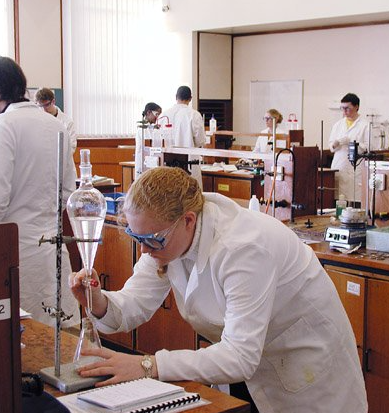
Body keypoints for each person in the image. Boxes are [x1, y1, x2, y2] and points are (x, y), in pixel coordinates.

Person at [69, 166, 367, 413]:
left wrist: (150, 365)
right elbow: (133, 305)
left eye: (153, 240)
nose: (145, 250)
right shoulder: (165, 238)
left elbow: (239, 356)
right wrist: (97, 301)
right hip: (247, 369)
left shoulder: (242, 248)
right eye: (137, 237)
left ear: (187, 220)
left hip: (305, 374)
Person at [0, 57, 79, 327]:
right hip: (51, 244)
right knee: (56, 335)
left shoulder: (4, 127)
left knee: (20, 340)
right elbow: (70, 191)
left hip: (14, 248)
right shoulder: (55, 125)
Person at [161, 86, 206, 187]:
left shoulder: (164, 115)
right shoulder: (194, 115)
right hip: (190, 162)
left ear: (176, 97)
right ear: (190, 98)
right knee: (191, 195)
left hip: (168, 163)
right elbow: (201, 140)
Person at [329, 93, 368, 206]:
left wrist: (351, 143)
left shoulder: (365, 125)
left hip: (355, 169)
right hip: (339, 166)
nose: (344, 111)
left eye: (347, 108)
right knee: (339, 201)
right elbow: (331, 146)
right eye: (342, 108)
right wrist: (336, 144)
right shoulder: (338, 125)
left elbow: (368, 148)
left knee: (355, 202)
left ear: (356, 107)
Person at [34, 87, 77, 156]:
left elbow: (72, 146)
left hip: (62, 161)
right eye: (40, 106)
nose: (44, 109)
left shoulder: (67, 122)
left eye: (47, 105)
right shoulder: (36, 122)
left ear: (53, 101)